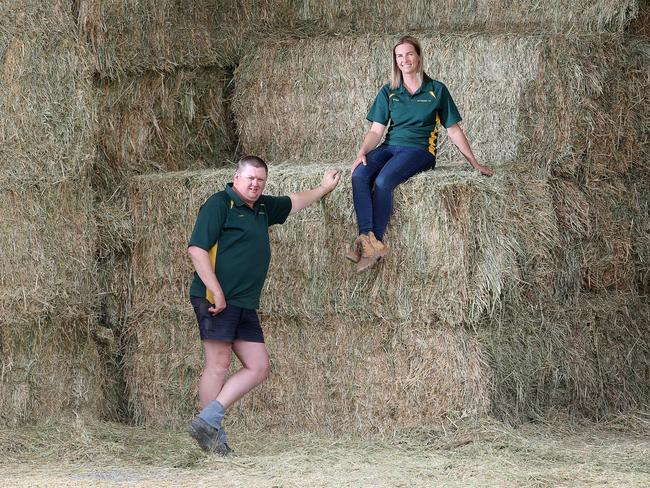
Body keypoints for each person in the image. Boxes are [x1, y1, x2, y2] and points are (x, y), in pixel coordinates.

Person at [187, 155, 341, 454]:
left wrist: (323, 188)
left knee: (258, 367)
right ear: (236, 177)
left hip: (244, 302)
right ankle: (212, 438)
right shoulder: (220, 204)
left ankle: (208, 420)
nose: (255, 184)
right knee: (218, 365)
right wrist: (216, 291)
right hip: (215, 298)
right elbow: (197, 249)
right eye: (250, 178)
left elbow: (294, 201)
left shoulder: (263, 208)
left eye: (260, 180)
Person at [347, 35, 494, 271]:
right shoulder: (389, 91)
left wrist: (474, 162)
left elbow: (453, 130)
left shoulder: (437, 90)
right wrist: (362, 151)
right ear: (395, 61)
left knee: (384, 181)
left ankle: (375, 240)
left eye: (409, 54)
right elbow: (376, 130)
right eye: (399, 56)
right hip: (389, 146)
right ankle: (368, 240)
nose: (404, 60)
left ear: (418, 57)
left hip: (420, 150)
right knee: (359, 175)